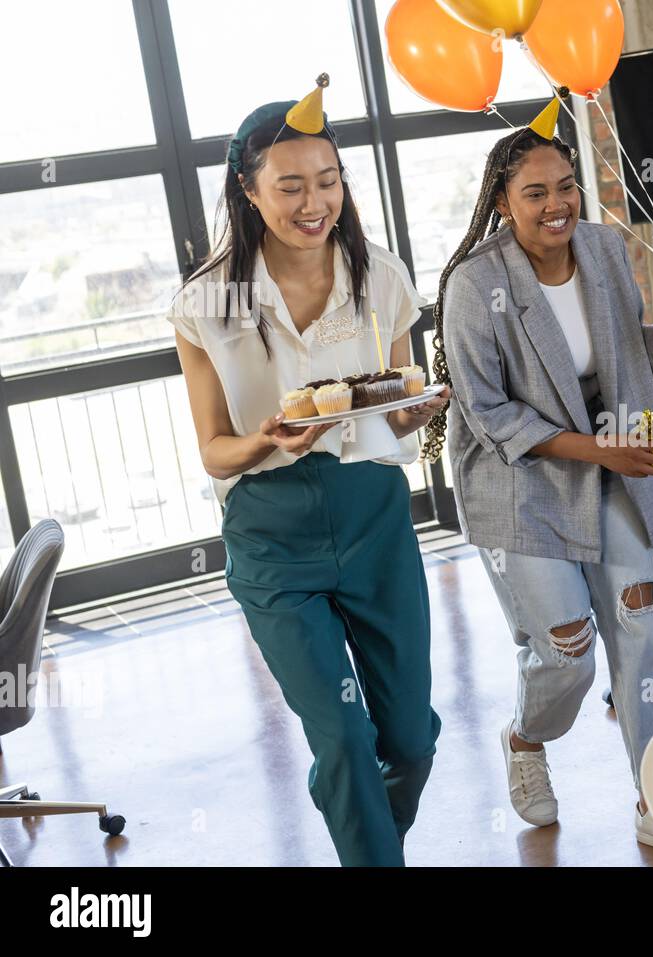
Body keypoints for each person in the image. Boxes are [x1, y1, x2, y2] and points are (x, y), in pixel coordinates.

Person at [427, 115, 653, 860]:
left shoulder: (601, 248)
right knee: (566, 651)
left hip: (612, 465)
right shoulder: (476, 284)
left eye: (566, 186)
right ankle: (528, 736)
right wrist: (603, 451)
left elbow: (625, 350)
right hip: (522, 483)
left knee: (639, 628)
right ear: (502, 200)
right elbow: (489, 413)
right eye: (535, 193)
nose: (556, 203)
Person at [166, 80, 446, 866]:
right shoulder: (206, 302)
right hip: (271, 536)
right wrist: (265, 442)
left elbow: (398, 402)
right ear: (249, 194)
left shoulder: (380, 277)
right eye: (289, 186)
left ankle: (372, 836)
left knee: (410, 740)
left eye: (326, 181)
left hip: (376, 521)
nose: (312, 201)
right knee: (344, 738)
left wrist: (418, 412)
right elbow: (214, 449)